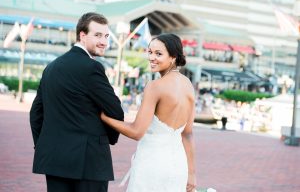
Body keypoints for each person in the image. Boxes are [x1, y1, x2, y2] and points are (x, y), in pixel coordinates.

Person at [29, 12, 124, 192]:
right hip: (88, 162)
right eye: (98, 35)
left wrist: (45, 145)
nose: (104, 41)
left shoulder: (51, 67)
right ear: (82, 35)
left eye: (106, 36)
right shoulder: (92, 67)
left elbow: (35, 114)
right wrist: (109, 139)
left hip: (54, 160)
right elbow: (115, 110)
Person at [101, 33, 197, 192]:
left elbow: (136, 131)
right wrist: (192, 173)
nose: (152, 57)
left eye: (158, 54)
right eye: (150, 52)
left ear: (173, 57)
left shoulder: (155, 86)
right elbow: (187, 134)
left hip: (152, 163)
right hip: (179, 166)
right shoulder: (188, 85)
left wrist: (104, 117)